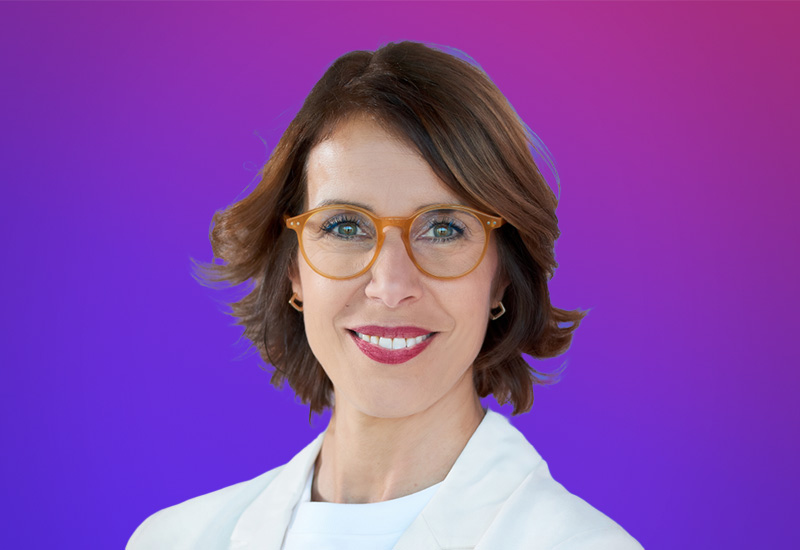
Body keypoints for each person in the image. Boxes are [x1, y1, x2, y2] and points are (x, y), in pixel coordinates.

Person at [127, 41, 644, 550]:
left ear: (503, 275)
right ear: (294, 272)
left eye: (443, 229)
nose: (391, 287)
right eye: (346, 226)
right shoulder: (173, 540)